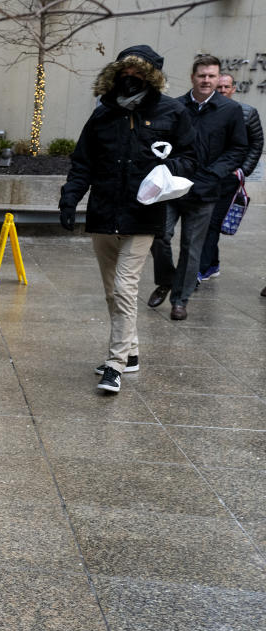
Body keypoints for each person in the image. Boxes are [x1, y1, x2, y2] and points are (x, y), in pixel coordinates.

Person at [60, 45, 196, 393]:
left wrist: (168, 166)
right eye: (124, 75)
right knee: (111, 291)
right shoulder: (103, 114)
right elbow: (83, 162)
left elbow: (190, 158)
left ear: (150, 78)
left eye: (137, 76)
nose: (130, 81)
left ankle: (115, 365)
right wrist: (70, 198)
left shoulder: (172, 112)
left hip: (143, 214)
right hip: (104, 213)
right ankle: (131, 353)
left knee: (124, 287)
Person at [147, 55, 247, 320]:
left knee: (192, 247)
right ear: (193, 77)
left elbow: (238, 148)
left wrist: (214, 174)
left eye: (212, 76)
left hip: (206, 189)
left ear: (218, 79)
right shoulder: (174, 106)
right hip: (172, 187)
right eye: (202, 75)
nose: (206, 80)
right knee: (159, 236)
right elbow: (160, 141)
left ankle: (180, 299)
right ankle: (166, 279)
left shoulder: (230, 110)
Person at [197, 73, 263, 282]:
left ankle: (203, 268)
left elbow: (256, 143)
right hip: (207, 176)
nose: (223, 90)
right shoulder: (206, 111)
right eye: (220, 87)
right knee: (206, 222)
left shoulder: (247, 112)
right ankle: (212, 264)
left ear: (234, 89)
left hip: (229, 179)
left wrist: (243, 170)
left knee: (212, 222)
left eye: (227, 87)